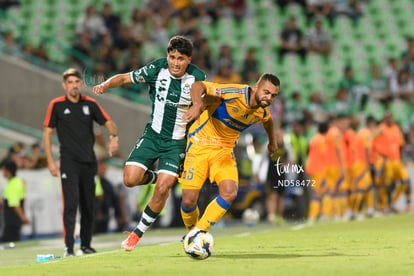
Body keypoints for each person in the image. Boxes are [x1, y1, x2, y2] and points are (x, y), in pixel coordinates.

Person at [92, 35, 206, 251]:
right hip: (153, 136)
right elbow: (125, 78)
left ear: (189, 60)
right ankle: (157, 176)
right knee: (130, 179)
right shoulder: (158, 68)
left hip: (176, 143)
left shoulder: (197, 77)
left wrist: (197, 106)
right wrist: (106, 84)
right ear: (167, 56)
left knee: (163, 188)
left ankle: (137, 233)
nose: (175, 63)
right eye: (172, 57)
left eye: (180, 59)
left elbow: (200, 94)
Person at [179, 73, 280, 236]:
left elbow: (268, 122)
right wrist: (197, 104)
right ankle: (192, 231)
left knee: (230, 192)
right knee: (189, 200)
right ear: (256, 87)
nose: (268, 98)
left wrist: (272, 142)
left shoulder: (262, 111)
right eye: (266, 92)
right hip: (199, 144)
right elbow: (199, 85)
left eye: (273, 96)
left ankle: (197, 233)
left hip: (224, 152)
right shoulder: (234, 93)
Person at [43, 68, 119, 257]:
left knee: (88, 204)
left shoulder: (90, 104)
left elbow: (108, 122)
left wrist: (114, 137)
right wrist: (51, 161)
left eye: (77, 82)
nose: (74, 85)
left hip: (89, 162)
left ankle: (85, 245)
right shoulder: (57, 105)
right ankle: (69, 247)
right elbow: (47, 133)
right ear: (64, 85)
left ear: (81, 84)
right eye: (70, 82)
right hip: (69, 161)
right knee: (71, 204)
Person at [1, 159, 30, 242]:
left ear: (8, 171)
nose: (3, 172)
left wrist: (23, 218)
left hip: (12, 221)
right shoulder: (14, 182)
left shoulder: (14, 184)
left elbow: (15, 205)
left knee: (9, 243)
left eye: (4, 170)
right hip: (11, 220)